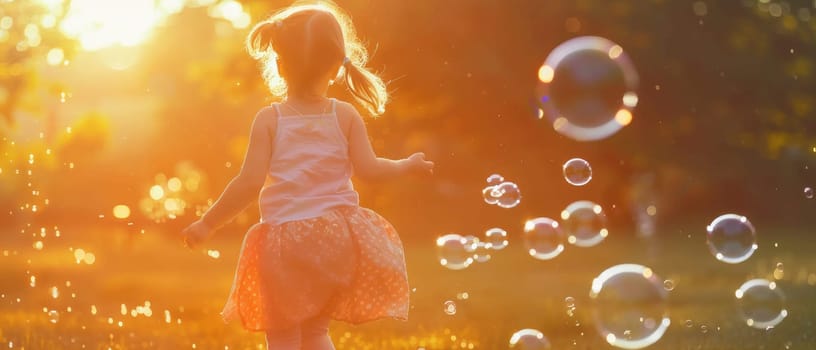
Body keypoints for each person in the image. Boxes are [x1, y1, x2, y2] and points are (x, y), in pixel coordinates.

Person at [180, 1, 434, 349]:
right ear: (335, 67)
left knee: (283, 334)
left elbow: (249, 183)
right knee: (316, 333)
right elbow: (371, 170)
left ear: (280, 66)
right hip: (335, 239)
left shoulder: (269, 120)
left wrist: (208, 223)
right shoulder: (344, 116)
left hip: (287, 245)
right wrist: (406, 165)